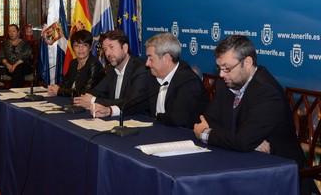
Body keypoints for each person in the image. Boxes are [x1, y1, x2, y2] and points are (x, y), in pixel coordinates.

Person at [192, 35, 312, 192]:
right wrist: (245, 140)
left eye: (227, 68)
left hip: (280, 173)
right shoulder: (227, 83)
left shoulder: (266, 91)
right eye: (219, 68)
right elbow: (209, 120)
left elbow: (239, 140)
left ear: (247, 62)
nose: (221, 74)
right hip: (243, 161)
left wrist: (206, 134)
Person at [125, 33, 208, 128]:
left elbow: (177, 118)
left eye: (151, 58)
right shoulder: (152, 76)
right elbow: (139, 104)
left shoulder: (189, 81)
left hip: (182, 136)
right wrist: (111, 110)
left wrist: (157, 117)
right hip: (160, 130)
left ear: (166, 58)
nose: (147, 63)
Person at [74, 29, 146, 118]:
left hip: (137, 119)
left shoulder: (140, 69)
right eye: (105, 49)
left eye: (111, 47)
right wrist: (85, 98)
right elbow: (98, 91)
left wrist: (93, 100)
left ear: (125, 48)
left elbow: (132, 102)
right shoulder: (112, 69)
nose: (108, 53)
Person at [47, 29, 104, 97]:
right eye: (76, 45)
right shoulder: (73, 63)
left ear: (90, 47)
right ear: (72, 48)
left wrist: (59, 91)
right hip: (72, 101)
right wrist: (54, 89)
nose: (80, 49)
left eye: (84, 45)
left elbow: (84, 92)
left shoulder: (94, 65)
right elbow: (65, 84)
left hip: (91, 104)